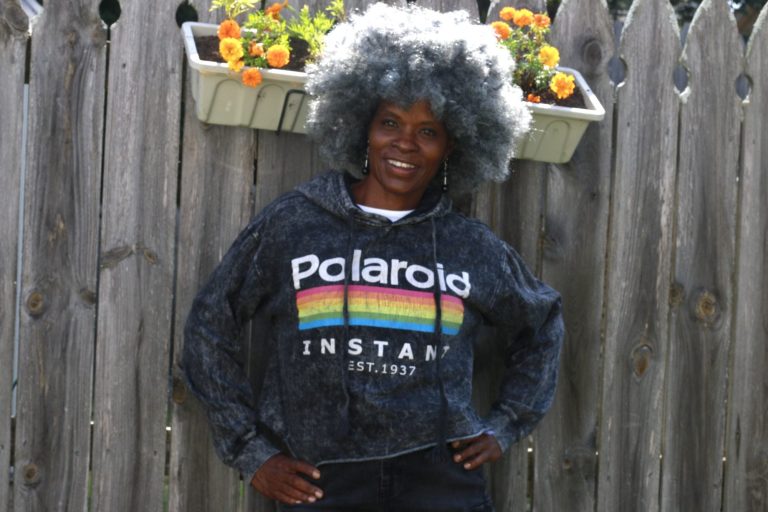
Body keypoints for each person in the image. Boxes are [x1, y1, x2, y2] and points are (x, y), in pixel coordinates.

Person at [182, 4, 564, 511]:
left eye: (428, 131)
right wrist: (252, 452)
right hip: (320, 479)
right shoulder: (295, 224)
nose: (405, 143)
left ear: (453, 145)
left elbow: (542, 323)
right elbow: (209, 325)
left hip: (440, 483)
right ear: (362, 126)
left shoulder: (470, 246)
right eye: (390, 122)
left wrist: (507, 423)